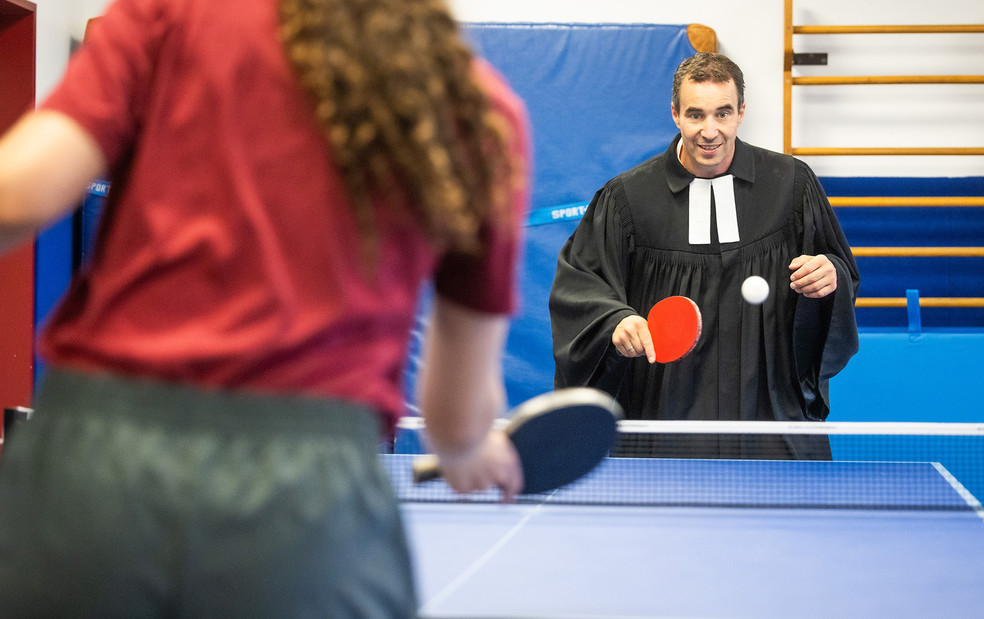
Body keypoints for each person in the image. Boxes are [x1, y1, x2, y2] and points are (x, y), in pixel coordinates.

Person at [0, 0, 530, 615]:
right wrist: (467, 450)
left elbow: (16, 196)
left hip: (89, 481)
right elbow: (456, 420)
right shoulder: (480, 113)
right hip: (309, 515)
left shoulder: (168, 14)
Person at [549, 52, 858, 460]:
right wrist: (616, 320)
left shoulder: (791, 186)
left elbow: (840, 273)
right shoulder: (627, 200)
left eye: (722, 114)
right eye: (695, 115)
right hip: (662, 417)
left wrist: (829, 276)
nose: (709, 131)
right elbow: (579, 285)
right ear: (675, 114)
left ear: (741, 113)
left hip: (770, 413)